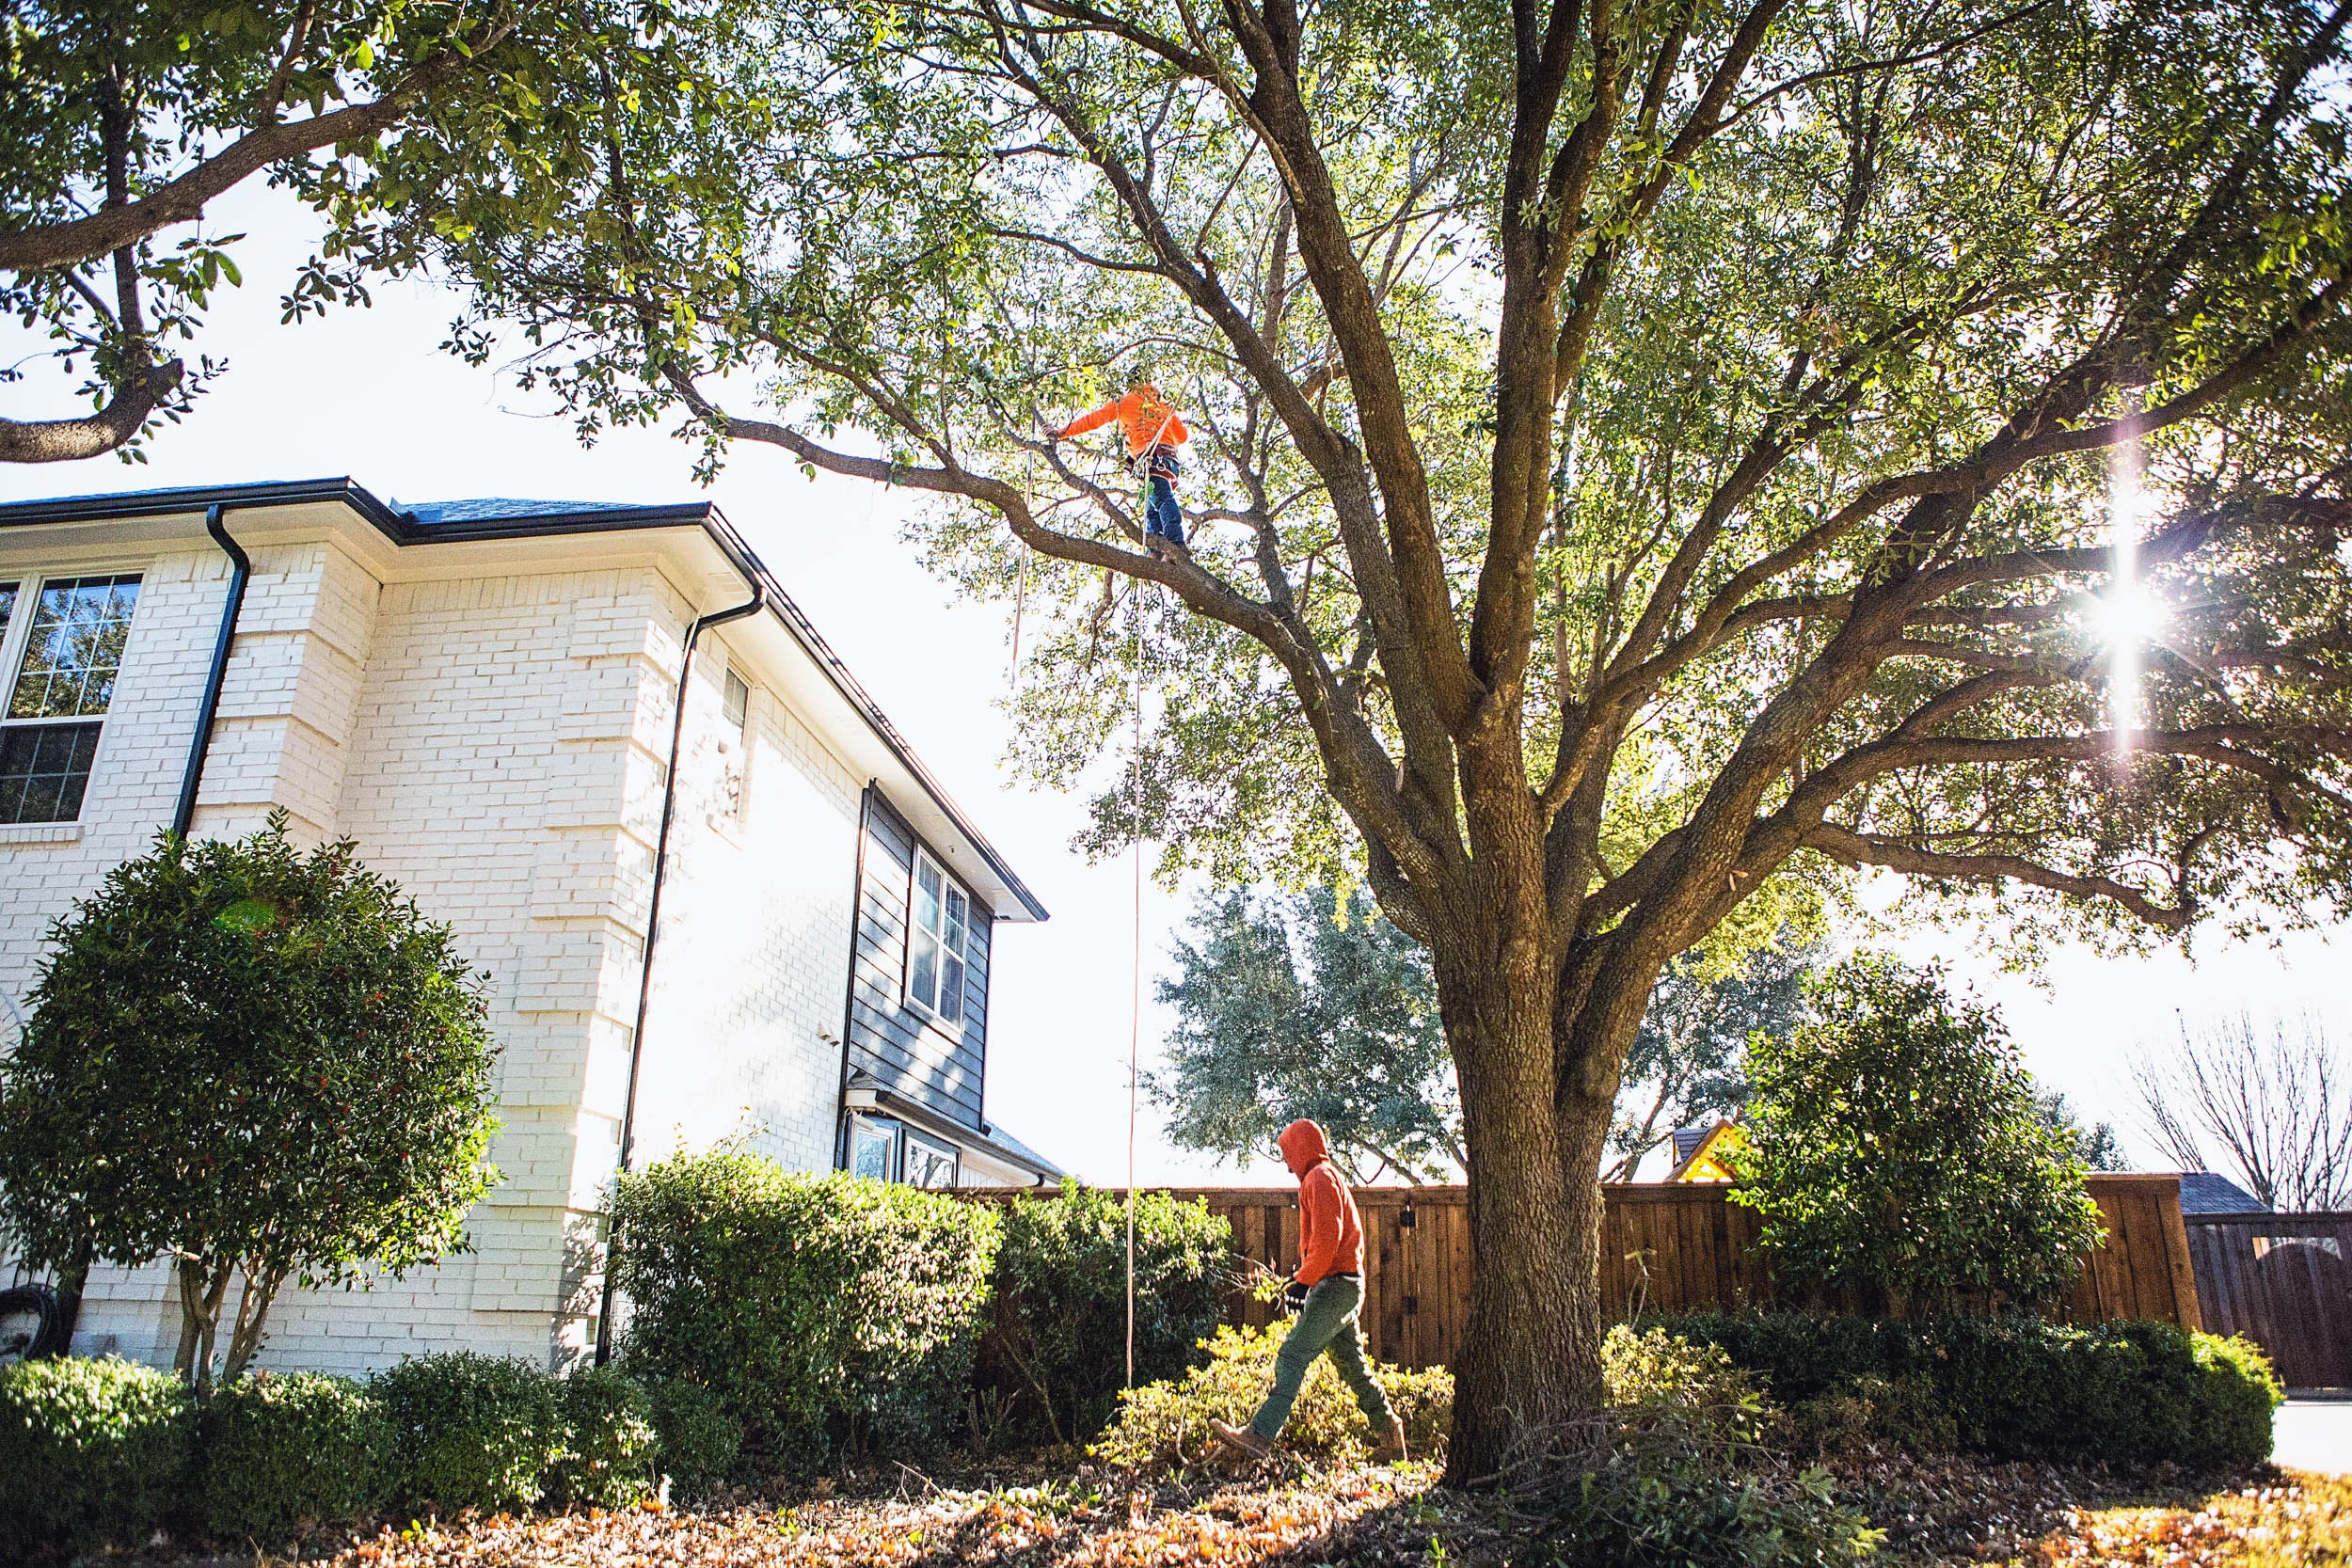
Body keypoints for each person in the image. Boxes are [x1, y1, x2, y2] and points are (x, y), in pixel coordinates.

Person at [1210, 1118, 1407, 1464]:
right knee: (1353, 1367)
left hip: (1336, 1286)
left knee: (1292, 1355)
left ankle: (1259, 1435)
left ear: (1301, 1149)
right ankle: (1391, 1433)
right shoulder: (1324, 1177)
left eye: (1288, 1154)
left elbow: (1328, 1238)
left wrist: (1304, 1281)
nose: (1287, 1164)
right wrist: (1305, 1278)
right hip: (1342, 1285)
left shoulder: (1319, 1177)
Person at [1057, 379, 1190, 558]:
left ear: (1130, 385)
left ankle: (1175, 543)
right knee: (1151, 504)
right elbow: (1182, 436)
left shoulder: (1125, 402)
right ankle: (1155, 550)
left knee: (1162, 499)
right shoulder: (1162, 405)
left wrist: (1061, 433)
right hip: (1169, 461)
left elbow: (1093, 420)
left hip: (1152, 459)